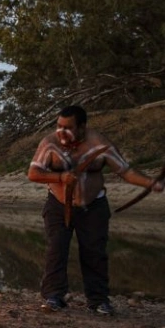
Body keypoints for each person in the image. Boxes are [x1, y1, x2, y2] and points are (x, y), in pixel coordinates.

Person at [27, 105, 163, 315]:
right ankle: (53, 297)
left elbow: (125, 172)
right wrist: (60, 177)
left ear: (82, 127)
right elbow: (34, 173)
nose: (62, 131)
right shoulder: (49, 143)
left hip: (94, 206)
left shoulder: (99, 144)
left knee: (94, 252)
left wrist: (150, 183)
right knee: (56, 248)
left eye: (68, 127)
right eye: (59, 126)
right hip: (58, 205)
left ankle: (98, 300)